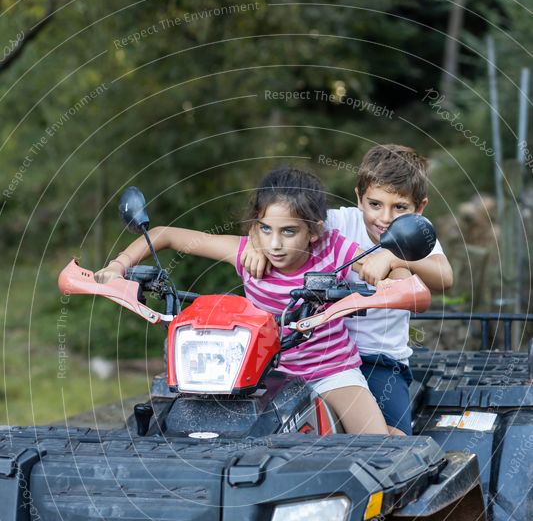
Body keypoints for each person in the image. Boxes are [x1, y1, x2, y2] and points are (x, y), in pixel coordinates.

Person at [95, 167, 388, 434]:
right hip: (260, 374)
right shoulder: (247, 253)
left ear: (314, 231)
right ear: (255, 225)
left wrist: (386, 272)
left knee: (378, 445)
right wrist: (117, 266)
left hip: (331, 371)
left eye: (289, 231)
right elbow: (163, 235)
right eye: (265, 228)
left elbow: (392, 272)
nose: (275, 244)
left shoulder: (335, 249)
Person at [241, 146, 454, 436]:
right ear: (359, 198)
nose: (385, 217)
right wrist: (255, 240)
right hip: (312, 350)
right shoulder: (338, 222)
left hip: (377, 358)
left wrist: (395, 257)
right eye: (375, 204)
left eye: (399, 207)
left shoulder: (415, 235)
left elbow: (444, 276)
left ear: (419, 209)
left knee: (392, 441)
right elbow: (285, 220)